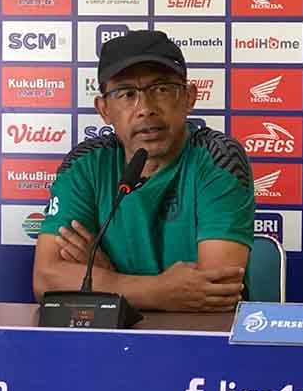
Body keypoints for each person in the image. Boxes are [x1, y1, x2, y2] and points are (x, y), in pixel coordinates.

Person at [33, 30, 255, 312]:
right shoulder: (85, 164)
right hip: (107, 341)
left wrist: (104, 279)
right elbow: (46, 279)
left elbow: (213, 295)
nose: (146, 109)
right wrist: (159, 290)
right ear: (104, 109)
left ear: (189, 97)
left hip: (202, 341)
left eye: (161, 89)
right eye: (126, 94)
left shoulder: (219, 158)